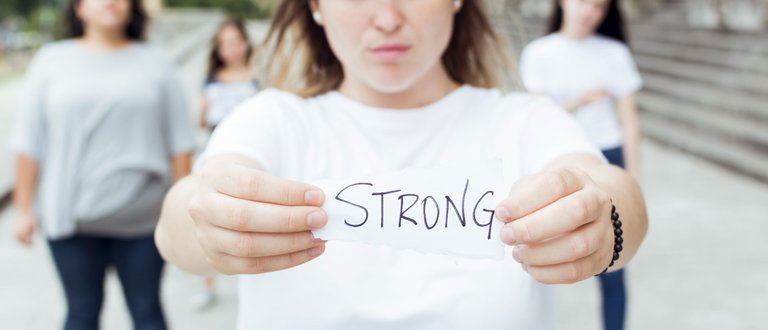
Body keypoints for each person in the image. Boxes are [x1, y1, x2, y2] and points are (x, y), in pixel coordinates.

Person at [155, 1, 648, 329]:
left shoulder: (522, 120)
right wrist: (210, 221)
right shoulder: (272, 120)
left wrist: (604, 224)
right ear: (316, 7)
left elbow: (610, 189)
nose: (387, 17)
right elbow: (184, 214)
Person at [9, 0, 196, 329]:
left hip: (143, 220)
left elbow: (180, 143)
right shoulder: (51, 61)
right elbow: (28, 141)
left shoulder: (155, 63)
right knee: (82, 312)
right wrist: (24, 209)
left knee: (147, 311)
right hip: (71, 220)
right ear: (79, 9)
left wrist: (183, 210)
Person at [520, 0, 643, 328]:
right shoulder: (539, 53)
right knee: (538, 256)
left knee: (612, 264)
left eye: (600, 6)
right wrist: (581, 101)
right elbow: (539, 116)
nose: (590, 11)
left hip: (607, 155)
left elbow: (629, 119)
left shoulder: (614, 52)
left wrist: (633, 177)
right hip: (556, 160)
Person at [198, 18, 259, 133]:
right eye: (226, 44)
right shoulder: (211, 80)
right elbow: (201, 123)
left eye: (236, 42)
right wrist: (203, 112)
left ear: (246, 42)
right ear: (219, 49)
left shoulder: (260, 78)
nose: (232, 49)